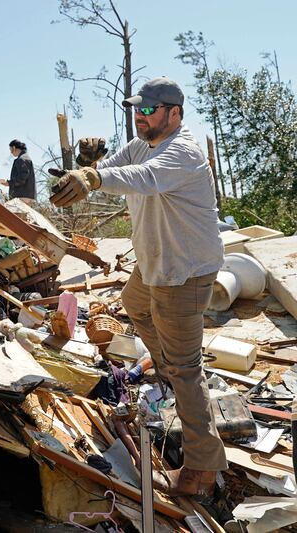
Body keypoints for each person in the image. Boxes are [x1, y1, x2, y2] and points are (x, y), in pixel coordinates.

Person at [50, 77, 227, 497]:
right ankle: (166, 371)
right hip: (155, 266)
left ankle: (202, 468)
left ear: (174, 113)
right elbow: (117, 169)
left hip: (183, 271)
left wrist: (93, 179)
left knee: (187, 371)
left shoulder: (182, 151)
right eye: (137, 109)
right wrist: (89, 167)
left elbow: (143, 178)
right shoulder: (141, 144)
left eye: (149, 110)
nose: (140, 116)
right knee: (134, 303)